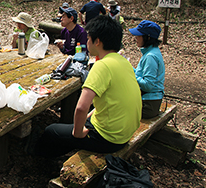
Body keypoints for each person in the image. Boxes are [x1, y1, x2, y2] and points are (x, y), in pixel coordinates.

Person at [34, 15, 141, 157]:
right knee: (79, 123)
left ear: (97, 42)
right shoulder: (123, 62)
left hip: (108, 138)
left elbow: (81, 107)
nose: (87, 41)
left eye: (89, 38)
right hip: (125, 132)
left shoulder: (101, 66)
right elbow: (112, 101)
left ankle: (41, 160)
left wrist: (77, 133)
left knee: (51, 131)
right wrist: (89, 118)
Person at [129, 20, 165, 119]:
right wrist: (128, 67)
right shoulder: (151, 52)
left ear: (148, 37)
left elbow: (148, 85)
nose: (136, 38)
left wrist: (131, 75)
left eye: (139, 35)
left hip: (148, 105)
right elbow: (142, 75)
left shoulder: (150, 56)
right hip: (148, 101)